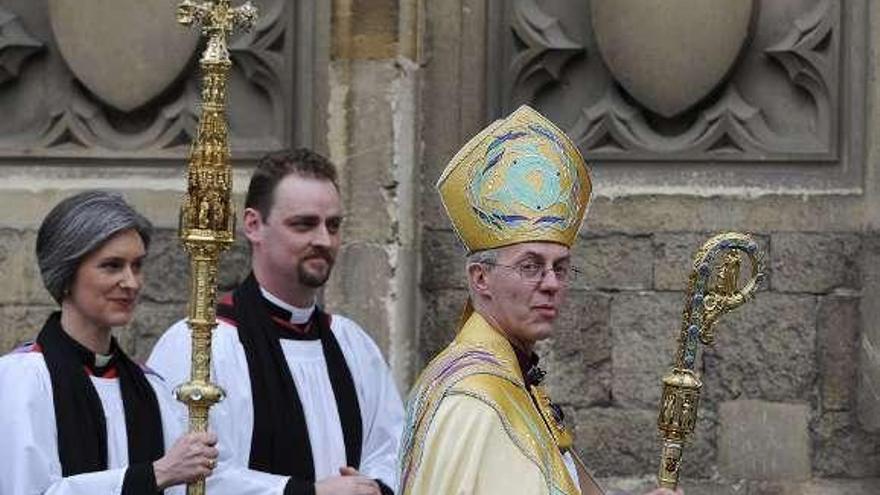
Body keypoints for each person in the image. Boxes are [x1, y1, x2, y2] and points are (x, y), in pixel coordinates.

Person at [398, 106, 682, 495]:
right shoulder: (472, 401)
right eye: (531, 266)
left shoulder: (516, 379)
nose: (551, 283)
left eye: (561, 268)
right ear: (480, 278)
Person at [148, 149, 404, 495]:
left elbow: (393, 450)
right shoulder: (200, 345)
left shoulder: (351, 344)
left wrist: (372, 487)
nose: (324, 240)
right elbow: (186, 477)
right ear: (253, 225)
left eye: (333, 225)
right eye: (304, 224)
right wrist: (307, 493)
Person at [0, 191, 219, 494]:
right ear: (66, 274)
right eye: (112, 266)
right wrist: (155, 474)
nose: (131, 282)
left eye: (137, 265)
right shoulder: (23, 379)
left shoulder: (151, 388)